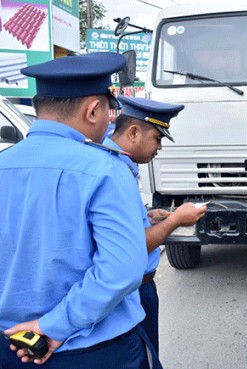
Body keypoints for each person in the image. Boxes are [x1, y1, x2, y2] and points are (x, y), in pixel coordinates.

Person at [0, 52, 162, 369]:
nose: (110, 121)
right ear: (92, 109)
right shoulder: (105, 169)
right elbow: (120, 270)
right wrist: (53, 327)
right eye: (109, 111)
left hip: (9, 349)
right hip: (96, 353)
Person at [104, 95, 207, 353]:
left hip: (138, 285)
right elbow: (134, 244)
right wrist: (175, 220)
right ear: (134, 132)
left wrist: (147, 217)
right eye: (158, 138)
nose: (159, 147)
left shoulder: (120, 163)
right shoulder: (112, 169)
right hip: (134, 288)